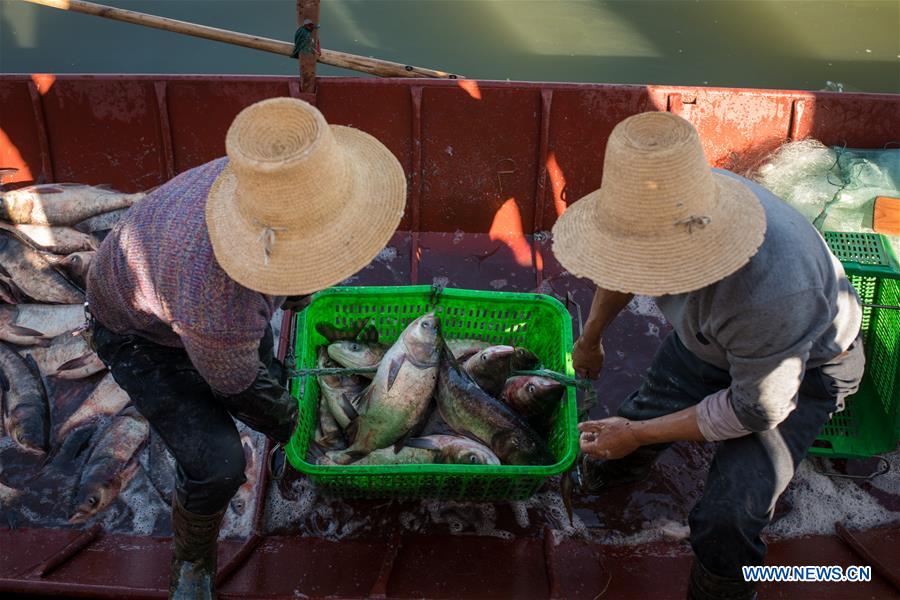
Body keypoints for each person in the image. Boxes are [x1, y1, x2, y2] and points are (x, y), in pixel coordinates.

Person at [86, 98, 406, 599]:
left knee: (265, 365)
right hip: (139, 334)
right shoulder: (220, 302)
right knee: (218, 465)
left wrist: (300, 282)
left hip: (187, 293)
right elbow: (238, 387)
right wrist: (292, 423)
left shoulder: (262, 180)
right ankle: (193, 562)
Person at [551, 112, 864, 600]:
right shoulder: (678, 193)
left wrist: (636, 434)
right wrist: (590, 339)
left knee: (728, 518)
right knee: (628, 427)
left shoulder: (773, 294)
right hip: (710, 340)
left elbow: (755, 409)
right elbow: (621, 269)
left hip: (804, 368)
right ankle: (601, 483)